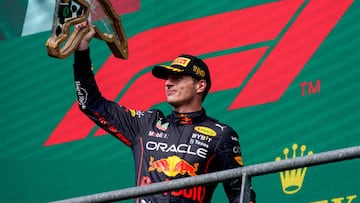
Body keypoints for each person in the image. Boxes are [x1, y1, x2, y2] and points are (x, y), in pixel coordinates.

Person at [72, 21, 256, 203]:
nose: (168, 83)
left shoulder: (221, 134)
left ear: (200, 85)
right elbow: (90, 103)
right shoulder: (146, 124)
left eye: (177, 78)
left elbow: (240, 194)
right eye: (167, 78)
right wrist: (81, 52)